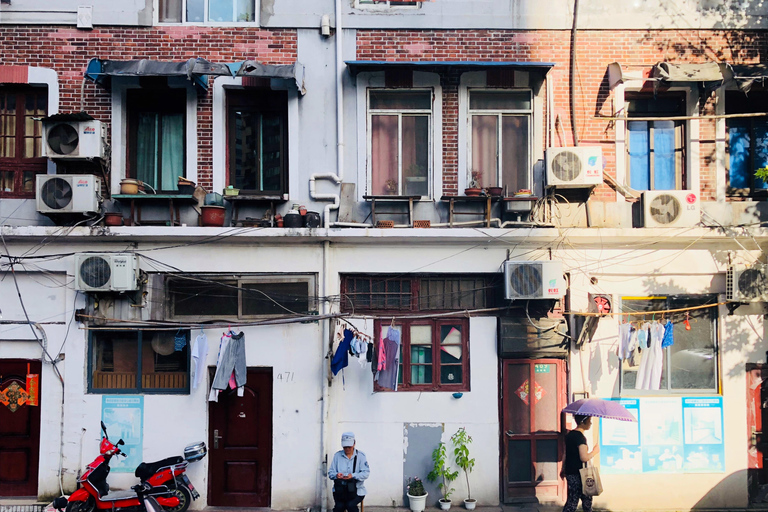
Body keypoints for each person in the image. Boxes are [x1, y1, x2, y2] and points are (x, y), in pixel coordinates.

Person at [562, 415, 600, 512]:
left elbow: (565, 454)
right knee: (581, 501)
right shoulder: (580, 438)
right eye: (589, 421)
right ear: (583, 422)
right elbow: (584, 457)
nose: (591, 423)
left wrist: (563, 469)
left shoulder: (569, 435)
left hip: (570, 472)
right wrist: (594, 452)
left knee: (573, 500)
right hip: (579, 474)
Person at [328, 432, 370, 512]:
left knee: (350, 505)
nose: (347, 449)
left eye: (349, 447)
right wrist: (336, 475)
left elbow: (366, 473)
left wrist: (353, 476)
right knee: (339, 507)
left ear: (354, 444)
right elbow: (330, 473)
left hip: (357, 490)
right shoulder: (337, 456)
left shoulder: (361, 456)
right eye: (345, 447)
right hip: (340, 491)